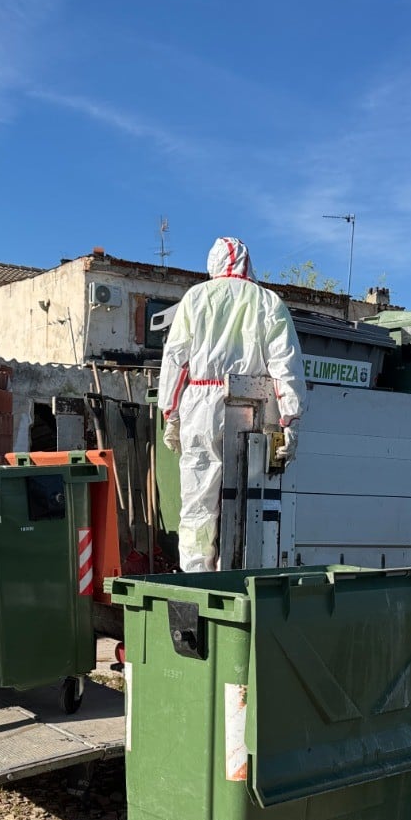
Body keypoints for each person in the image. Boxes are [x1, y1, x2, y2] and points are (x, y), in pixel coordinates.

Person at [160, 237, 305, 573]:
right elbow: (286, 366)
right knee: (247, 500)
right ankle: (239, 571)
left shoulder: (195, 298)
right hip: (253, 406)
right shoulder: (268, 301)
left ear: (212, 264)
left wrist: (172, 412)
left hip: (200, 405)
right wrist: (290, 421)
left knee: (199, 498)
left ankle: (197, 576)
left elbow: (176, 359)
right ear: (248, 264)